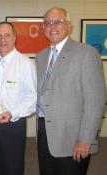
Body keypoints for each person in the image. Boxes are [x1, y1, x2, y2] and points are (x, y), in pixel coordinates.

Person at [36, 7, 106, 175]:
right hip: (44, 130)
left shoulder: (86, 53)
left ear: (69, 25)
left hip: (73, 136)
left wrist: (85, 139)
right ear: (43, 27)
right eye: (48, 23)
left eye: (58, 22)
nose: (52, 27)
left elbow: (95, 101)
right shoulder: (41, 56)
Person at [0, 22, 37, 175]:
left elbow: (32, 98)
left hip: (13, 124)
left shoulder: (26, 64)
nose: (3, 39)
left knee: (13, 166)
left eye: (7, 35)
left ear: (15, 38)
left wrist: (12, 113)